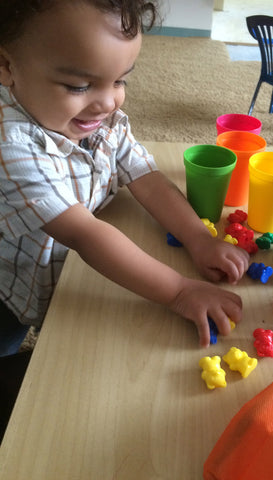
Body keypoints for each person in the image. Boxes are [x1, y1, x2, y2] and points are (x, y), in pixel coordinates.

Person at [0, 0, 249, 356]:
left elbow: (146, 176)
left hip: (62, 267)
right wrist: (179, 290)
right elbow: (84, 233)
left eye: (120, 80)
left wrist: (198, 238)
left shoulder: (97, 117)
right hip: (10, 289)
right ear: (7, 66)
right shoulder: (11, 145)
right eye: (77, 86)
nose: (107, 102)